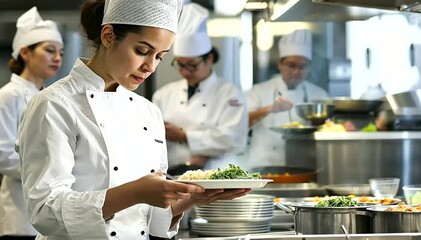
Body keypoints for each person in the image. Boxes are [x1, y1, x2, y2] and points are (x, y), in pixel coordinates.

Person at [16, 0, 250, 239]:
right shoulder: (54, 104)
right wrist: (135, 192)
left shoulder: (148, 111)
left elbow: (144, 218)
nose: (150, 66)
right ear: (108, 36)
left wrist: (189, 201)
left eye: (160, 56)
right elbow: (45, 211)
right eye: (142, 51)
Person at [152, 2, 248, 171]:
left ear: (209, 58)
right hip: (172, 176)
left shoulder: (229, 93)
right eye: (180, 65)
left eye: (192, 65)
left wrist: (183, 135)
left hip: (217, 175)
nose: (186, 72)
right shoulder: (163, 94)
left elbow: (234, 139)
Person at [0, 7, 64, 240]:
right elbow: (2, 155)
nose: (57, 58)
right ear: (25, 53)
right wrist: (48, 167)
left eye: (61, 52)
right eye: (50, 51)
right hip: (20, 214)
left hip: (51, 212)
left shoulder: (50, 96)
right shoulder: (8, 96)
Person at [245, 29, 328, 168]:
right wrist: (270, 109)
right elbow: (241, 123)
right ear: (279, 64)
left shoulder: (319, 95)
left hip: (304, 166)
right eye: (291, 65)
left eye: (303, 66)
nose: (296, 72)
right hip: (263, 167)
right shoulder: (258, 91)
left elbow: (329, 129)